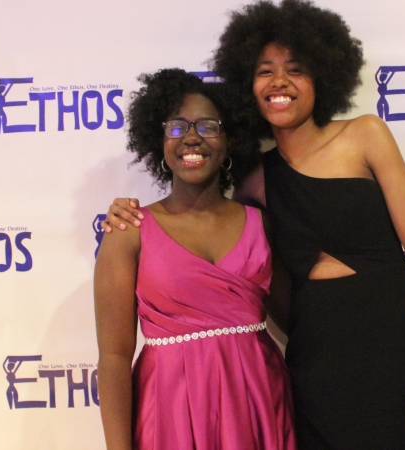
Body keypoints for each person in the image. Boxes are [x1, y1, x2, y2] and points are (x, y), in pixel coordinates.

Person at [104, 1, 405, 448]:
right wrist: (124, 214)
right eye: (265, 70)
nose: (280, 82)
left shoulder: (367, 134)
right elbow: (238, 264)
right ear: (250, 85)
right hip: (314, 361)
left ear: (322, 76)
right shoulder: (253, 182)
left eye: (296, 69)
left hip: (392, 347)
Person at [94, 68, 295, 450]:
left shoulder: (261, 223)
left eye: (207, 126)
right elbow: (115, 357)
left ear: (230, 138)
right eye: (177, 127)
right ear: (158, 140)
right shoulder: (129, 231)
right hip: (171, 410)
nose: (191, 137)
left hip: (257, 403)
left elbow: (297, 322)